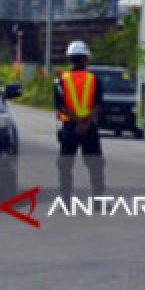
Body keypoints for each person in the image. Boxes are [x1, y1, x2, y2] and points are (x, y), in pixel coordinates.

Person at [54, 40, 105, 200]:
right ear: (85, 59)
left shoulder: (61, 81)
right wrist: (86, 122)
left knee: (65, 166)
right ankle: (98, 200)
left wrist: (76, 122)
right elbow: (98, 104)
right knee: (95, 165)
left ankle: (65, 200)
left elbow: (60, 106)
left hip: (70, 128)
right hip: (89, 128)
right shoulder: (94, 79)